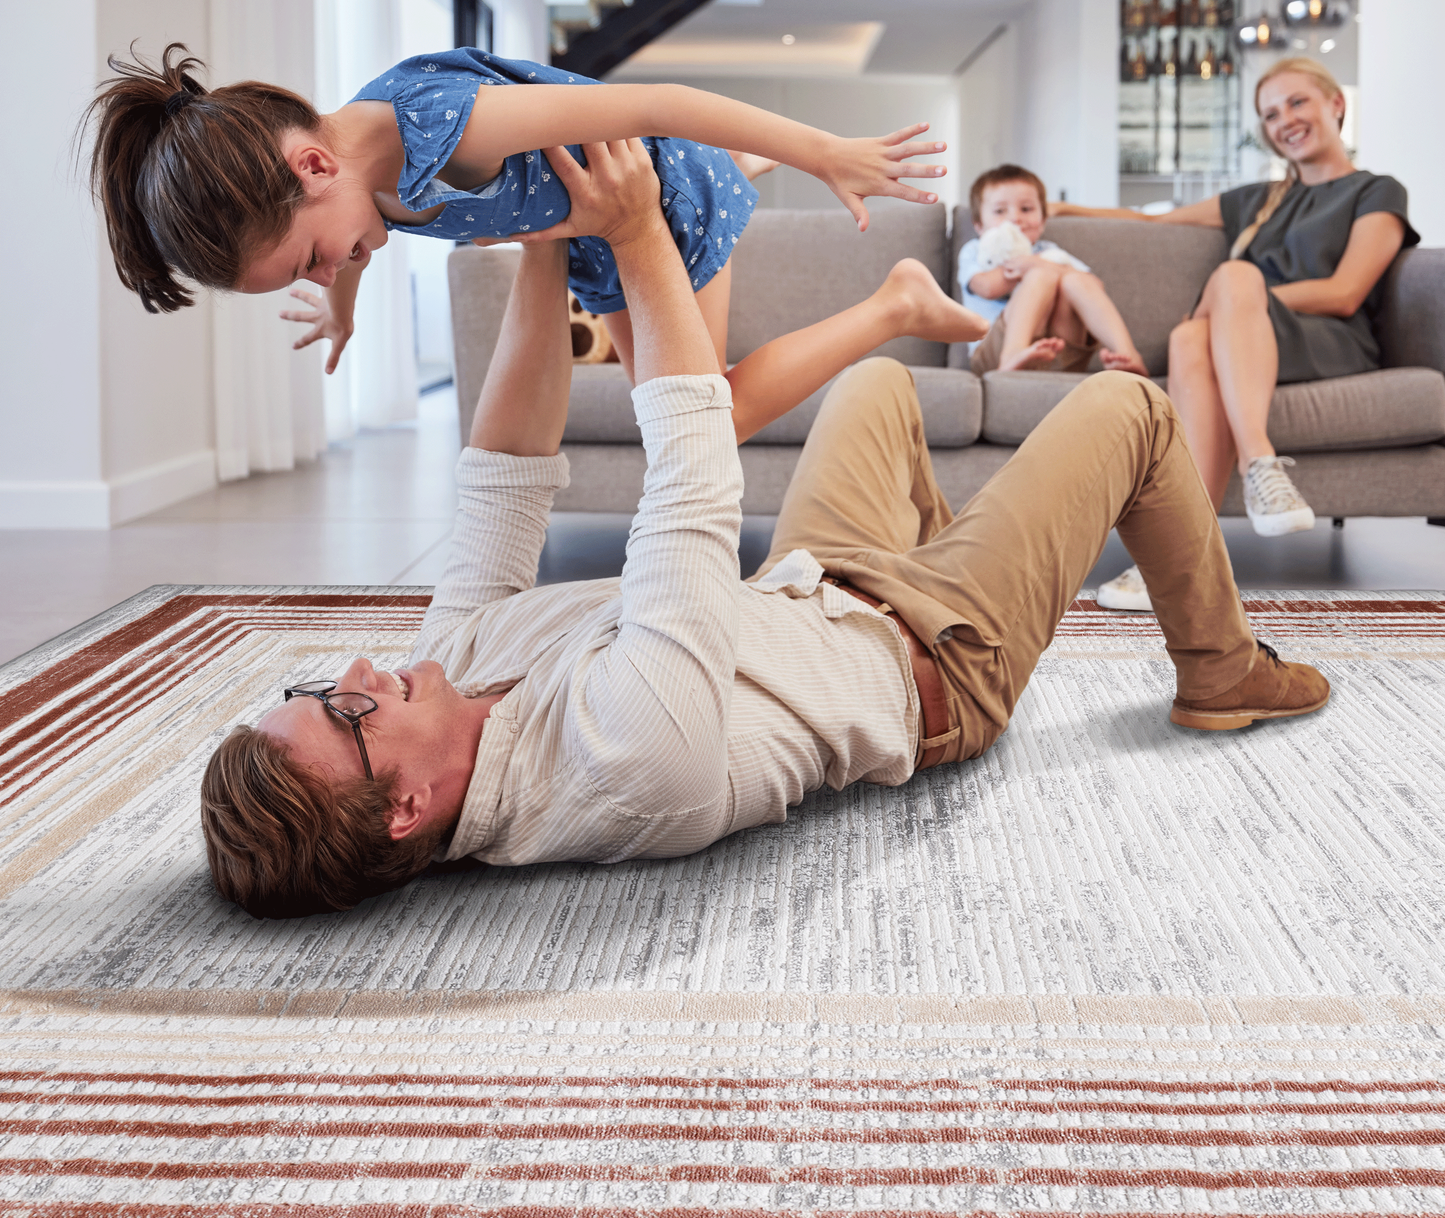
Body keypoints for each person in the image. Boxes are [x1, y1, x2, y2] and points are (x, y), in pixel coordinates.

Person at [200, 137, 1330, 920]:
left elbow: (501, 480)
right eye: (341, 710)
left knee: (876, 392)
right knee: (1129, 408)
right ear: (405, 808)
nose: (355, 669)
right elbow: (689, 481)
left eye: (313, 685)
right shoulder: (623, 759)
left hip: (813, 584)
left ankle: (966, 545)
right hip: (932, 661)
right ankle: (1221, 669)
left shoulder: (436, 677)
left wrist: (546, 237)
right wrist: (637, 239)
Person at [84, 43, 945, 387]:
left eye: (313, 259)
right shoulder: (347, 179)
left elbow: (665, 101)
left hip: (659, 201)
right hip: (590, 240)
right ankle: (744, 169)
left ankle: (894, 303)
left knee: (702, 414)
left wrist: (826, 153)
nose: (328, 266)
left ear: (312, 166)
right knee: (674, 415)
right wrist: (338, 313)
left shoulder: (449, 125)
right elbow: (353, 249)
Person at [1052, 57, 1418, 613]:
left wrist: (1237, 300)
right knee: (1187, 340)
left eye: (1297, 103)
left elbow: (1345, 290)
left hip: (1327, 340)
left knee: (1234, 278)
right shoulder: (1257, 199)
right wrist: (1063, 210)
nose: (1284, 121)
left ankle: (1259, 462)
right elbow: (1152, 222)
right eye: (1270, 115)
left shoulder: (1377, 190)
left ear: (1335, 105)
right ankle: (1179, 553)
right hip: (1241, 339)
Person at [957, 164, 1149, 376]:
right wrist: (1025, 268)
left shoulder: (1048, 252)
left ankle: (1128, 353)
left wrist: (1043, 264)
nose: (1015, 218)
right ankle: (1014, 352)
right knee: (1042, 275)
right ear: (979, 226)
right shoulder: (974, 251)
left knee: (1072, 279)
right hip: (995, 353)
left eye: (1026, 209)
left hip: (1060, 352)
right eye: (1000, 211)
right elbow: (985, 287)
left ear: (1042, 222)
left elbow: (1093, 286)